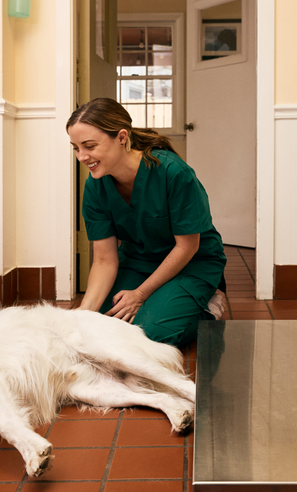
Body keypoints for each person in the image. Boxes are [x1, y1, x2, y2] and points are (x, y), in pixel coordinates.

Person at [66, 97, 226, 349]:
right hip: (138, 263)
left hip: (191, 264)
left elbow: (187, 247)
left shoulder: (173, 172)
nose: (82, 157)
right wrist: (82, 317)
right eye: (75, 148)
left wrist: (140, 295)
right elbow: (104, 260)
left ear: (121, 137)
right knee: (99, 324)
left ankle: (207, 304)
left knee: (150, 334)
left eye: (89, 146)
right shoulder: (95, 185)